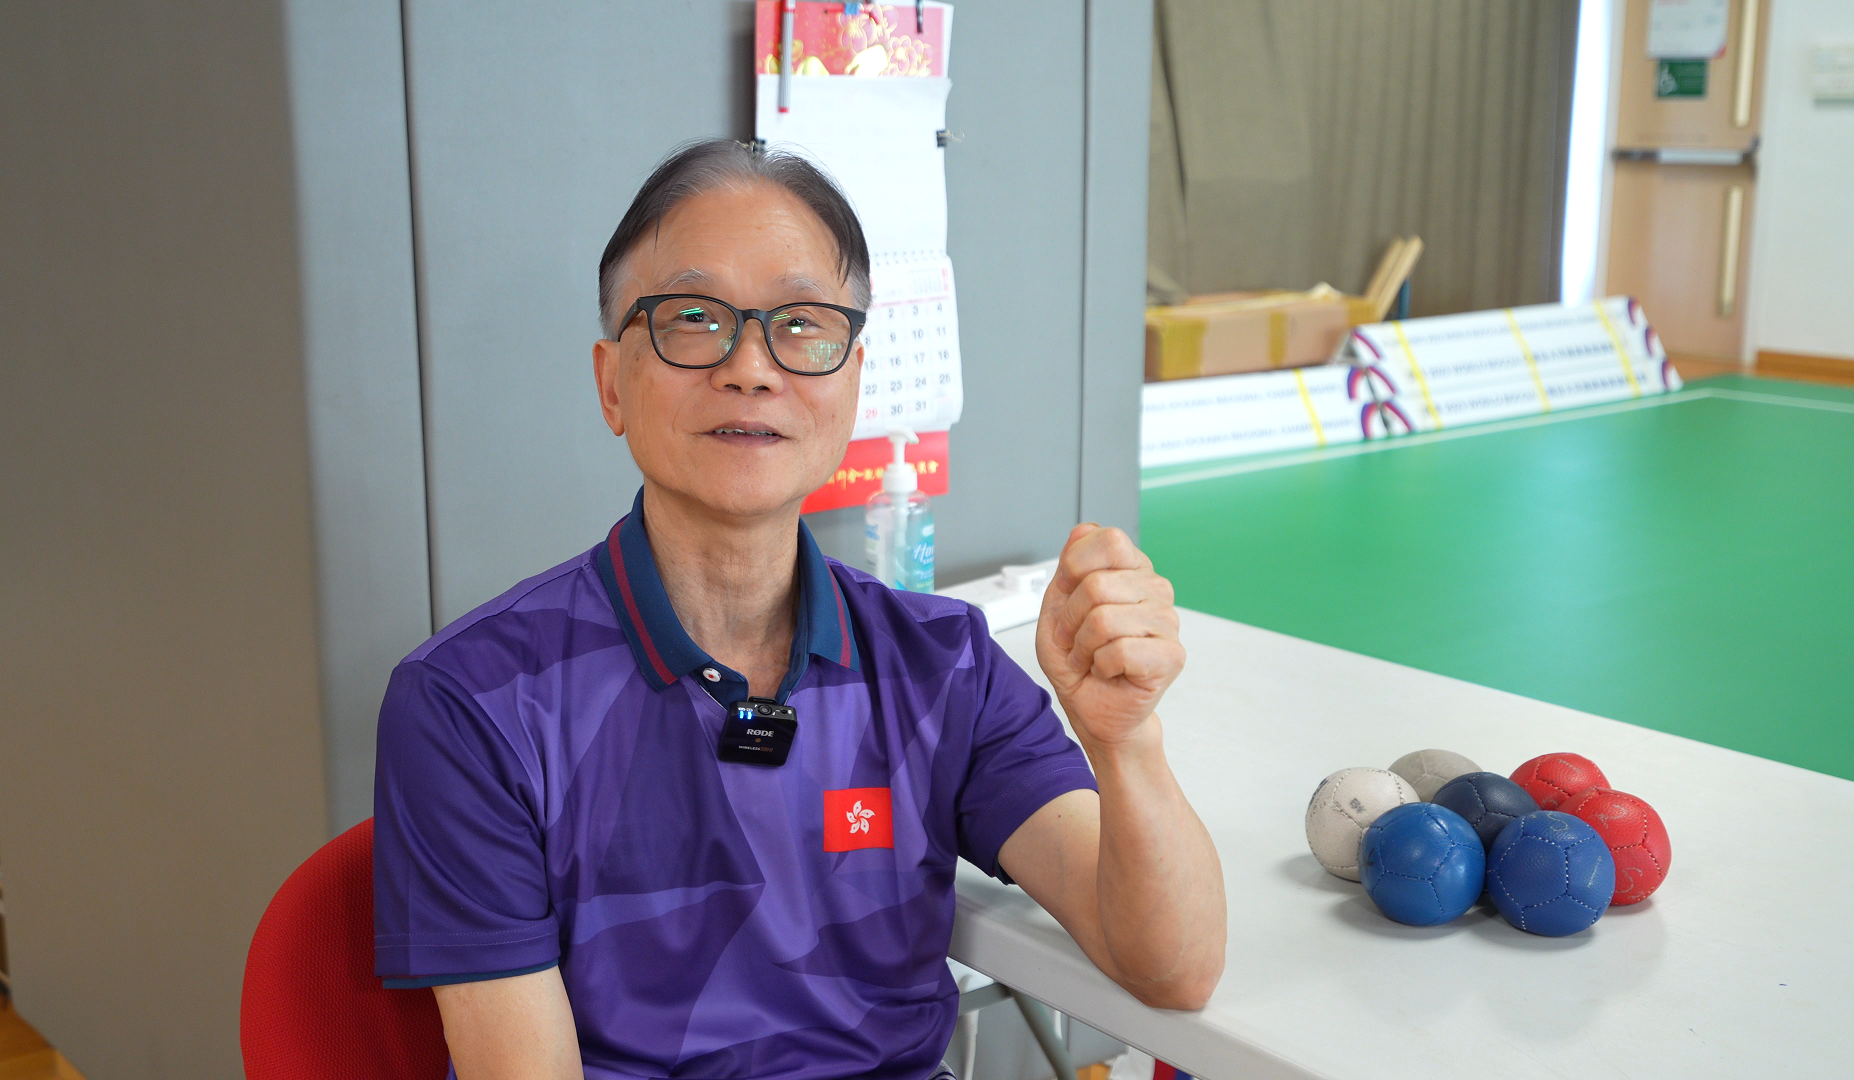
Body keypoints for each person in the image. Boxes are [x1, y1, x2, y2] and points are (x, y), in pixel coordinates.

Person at [373, 139, 1225, 1080]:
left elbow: (1173, 966)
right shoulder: (472, 702)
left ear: (852, 382)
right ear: (612, 383)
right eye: (692, 319)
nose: (751, 367)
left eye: (802, 325)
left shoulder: (940, 664)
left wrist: (1124, 739)